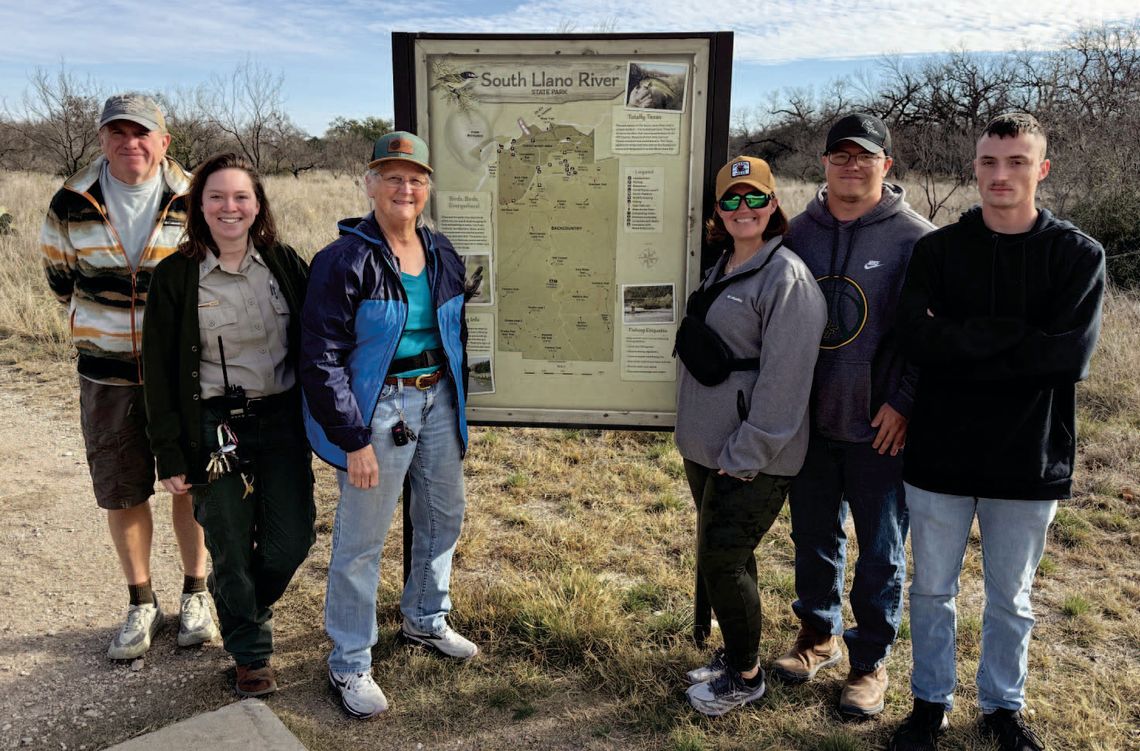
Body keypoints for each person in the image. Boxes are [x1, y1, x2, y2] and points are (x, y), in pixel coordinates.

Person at [888, 113, 1105, 751]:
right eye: (988, 162)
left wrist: (959, 340)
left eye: (1016, 162)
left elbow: (1068, 358)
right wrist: (1019, 335)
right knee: (931, 590)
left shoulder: (1076, 255)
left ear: (1041, 169)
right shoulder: (937, 251)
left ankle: (1002, 708)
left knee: (1011, 597)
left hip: (1028, 455)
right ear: (974, 167)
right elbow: (913, 338)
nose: (1000, 175)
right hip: (940, 452)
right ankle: (929, 705)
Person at [301, 131, 474, 720]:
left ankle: (426, 619)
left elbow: (453, 329)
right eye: (392, 176)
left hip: (438, 399)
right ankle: (350, 659)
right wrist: (353, 437)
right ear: (370, 183)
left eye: (416, 179)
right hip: (378, 409)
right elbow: (320, 355)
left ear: (428, 188)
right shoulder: (343, 260)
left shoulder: (442, 251)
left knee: (443, 515)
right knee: (361, 540)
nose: (405, 188)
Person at [40, 93, 216, 660]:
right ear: (101, 140)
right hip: (108, 375)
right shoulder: (71, 202)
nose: (129, 143)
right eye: (117, 132)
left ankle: (197, 592)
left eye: (142, 133)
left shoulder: (196, 198)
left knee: (191, 481)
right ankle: (141, 601)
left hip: (183, 373)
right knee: (122, 486)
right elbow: (60, 280)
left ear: (164, 142)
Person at [772, 113, 933, 717]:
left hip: (880, 426)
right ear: (824, 164)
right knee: (813, 536)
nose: (851, 165)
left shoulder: (916, 239)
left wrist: (905, 403)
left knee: (882, 549)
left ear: (885, 164)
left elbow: (930, 334)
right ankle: (818, 637)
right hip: (809, 421)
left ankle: (869, 663)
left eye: (864, 156)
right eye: (839, 155)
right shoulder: (796, 234)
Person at [142, 153, 315, 697]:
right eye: (216, 196)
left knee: (292, 542)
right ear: (198, 206)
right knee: (231, 542)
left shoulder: (285, 263)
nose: (229, 207)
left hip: (283, 420)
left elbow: (321, 339)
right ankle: (251, 653)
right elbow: (160, 373)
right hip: (218, 427)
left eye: (241, 196)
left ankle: (234, 597)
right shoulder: (176, 276)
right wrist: (168, 454)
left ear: (258, 205)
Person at [676, 156, 826, 717]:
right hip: (709, 449)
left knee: (721, 560)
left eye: (754, 198)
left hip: (753, 454)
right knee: (735, 559)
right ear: (718, 210)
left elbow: (786, 380)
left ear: (773, 205)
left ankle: (744, 677)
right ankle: (739, 653)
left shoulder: (785, 276)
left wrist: (748, 453)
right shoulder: (721, 267)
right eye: (731, 200)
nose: (743, 209)